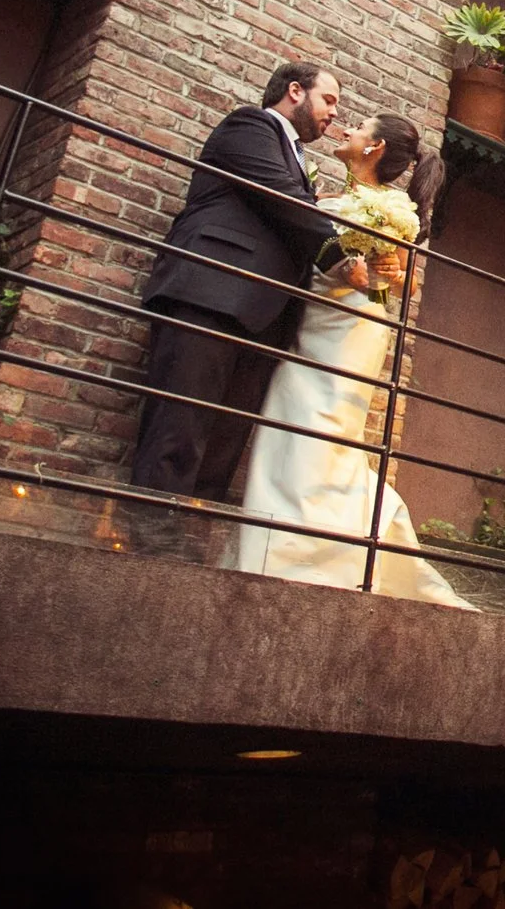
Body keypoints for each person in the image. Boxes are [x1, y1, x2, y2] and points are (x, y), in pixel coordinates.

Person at [232, 114, 472, 608]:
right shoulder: (340, 202)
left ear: (374, 147)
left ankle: (294, 557)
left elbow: (366, 271)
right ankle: (313, 543)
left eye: (358, 126)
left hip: (347, 327)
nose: (347, 130)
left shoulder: (380, 209)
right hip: (324, 323)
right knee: (313, 426)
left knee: (316, 420)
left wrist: (385, 270)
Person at [131, 62, 389, 505]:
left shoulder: (295, 157)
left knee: (220, 455)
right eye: (328, 100)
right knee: (177, 433)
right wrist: (337, 256)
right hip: (212, 296)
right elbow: (277, 194)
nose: (333, 115)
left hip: (263, 317)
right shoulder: (250, 124)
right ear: (294, 91)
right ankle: (143, 549)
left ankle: (186, 551)